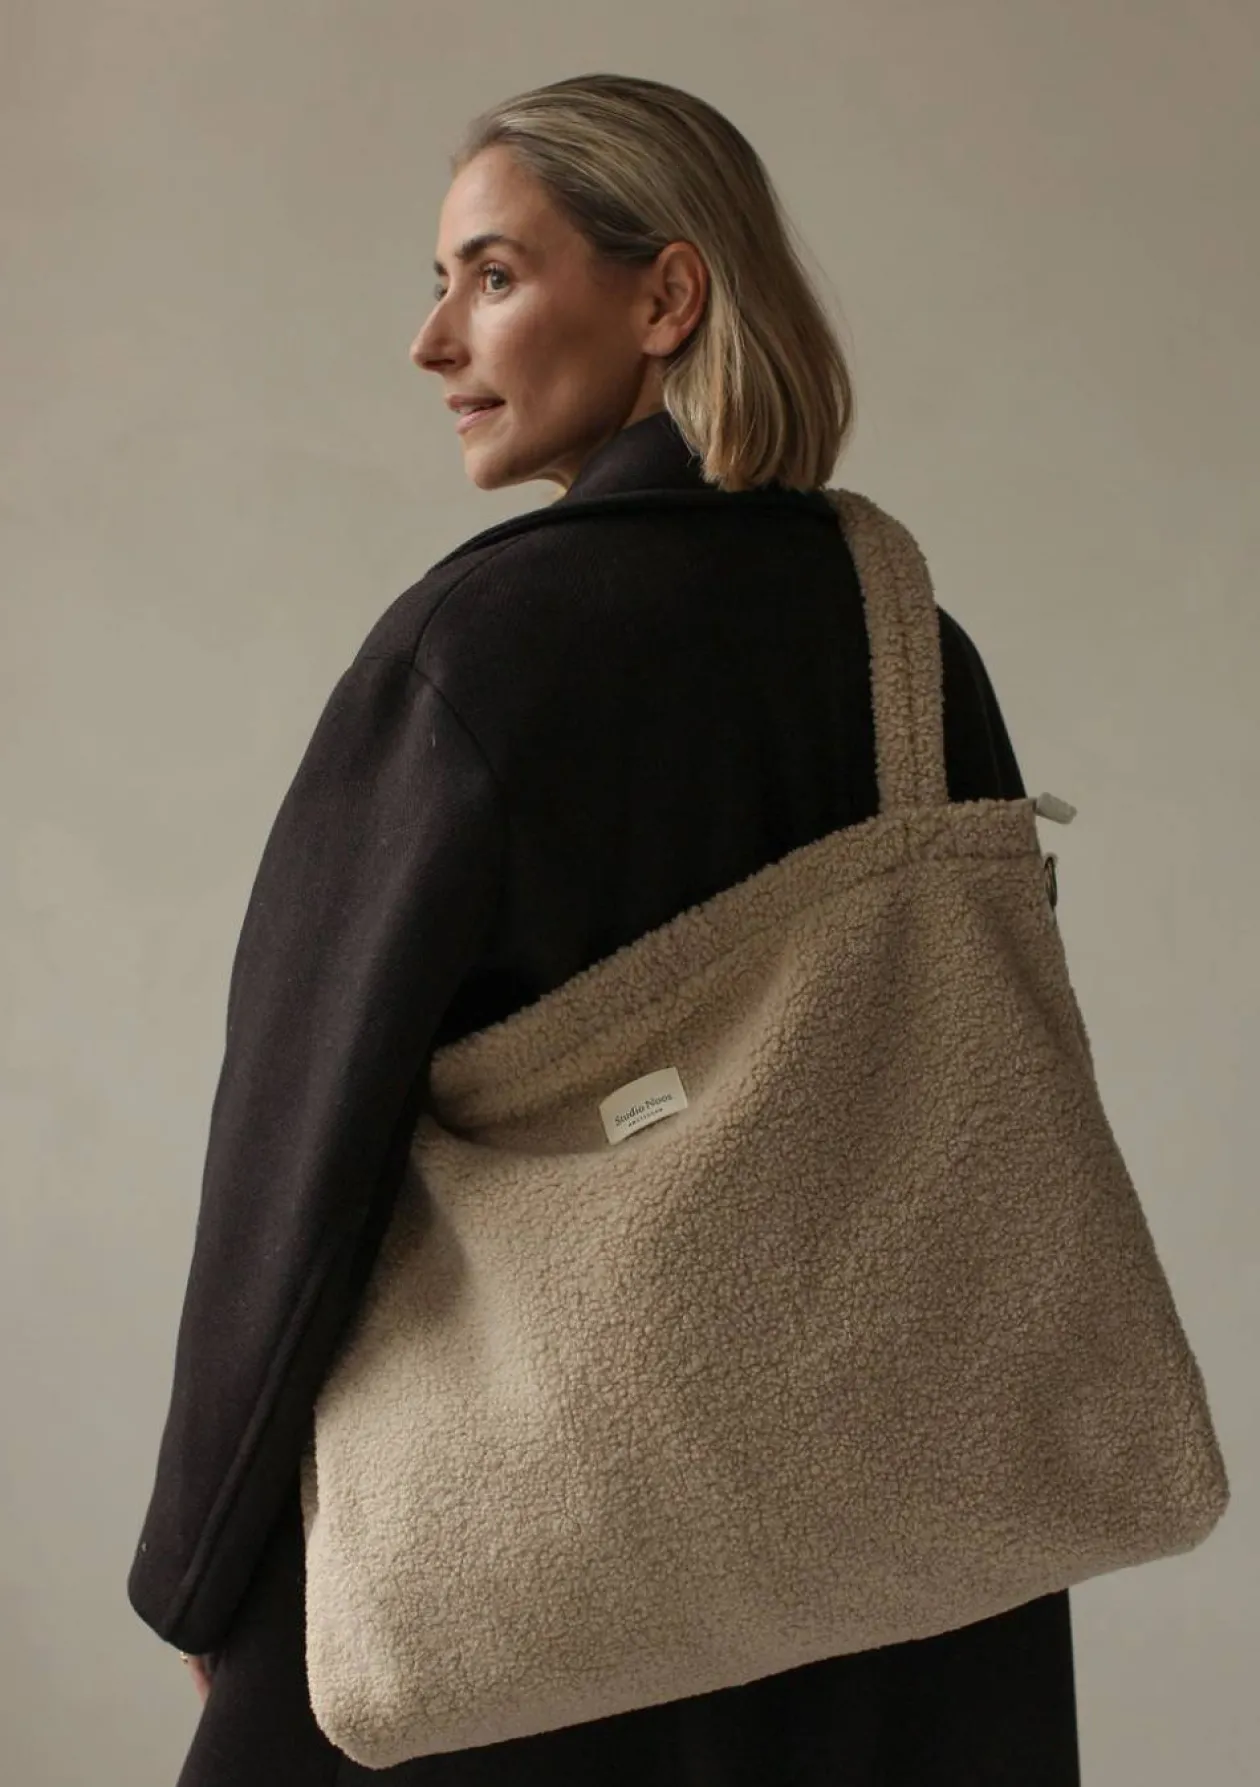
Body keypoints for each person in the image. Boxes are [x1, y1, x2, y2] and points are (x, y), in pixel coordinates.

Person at [129, 72, 1080, 1786]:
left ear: (666, 297)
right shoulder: (911, 643)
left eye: (492, 276)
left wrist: (202, 1563)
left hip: (526, 1561)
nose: (434, 341)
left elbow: (301, 1145)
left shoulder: (476, 651)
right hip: (898, 1556)